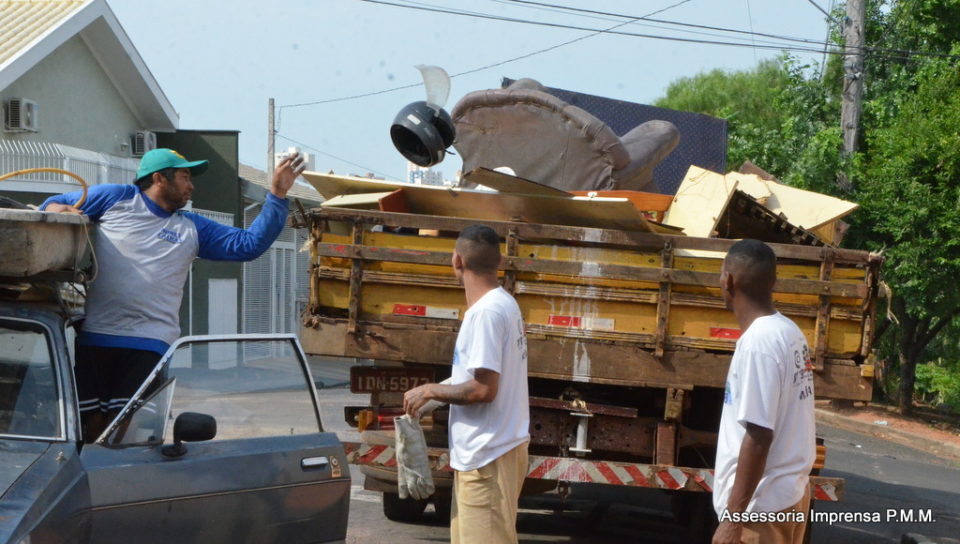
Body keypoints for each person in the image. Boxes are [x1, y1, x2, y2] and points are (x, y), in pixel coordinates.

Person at [42, 148, 305, 441]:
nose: (191, 185)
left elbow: (249, 245)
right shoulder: (117, 198)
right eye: (185, 176)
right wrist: (60, 211)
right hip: (95, 336)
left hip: (150, 342)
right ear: (159, 179)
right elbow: (54, 204)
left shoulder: (191, 227)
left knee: (127, 433)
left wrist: (278, 193)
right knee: (87, 427)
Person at [404, 224, 530, 544]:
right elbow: (472, 378)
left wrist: (431, 390)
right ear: (499, 262)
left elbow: (483, 390)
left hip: (486, 457)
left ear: (456, 261)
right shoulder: (503, 303)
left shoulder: (485, 313)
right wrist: (431, 397)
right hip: (490, 453)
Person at [712, 239, 816, 544]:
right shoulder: (788, 332)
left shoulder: (759, 344)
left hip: (760, 512)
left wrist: (732, 519)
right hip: (787, 499)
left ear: (728, 280)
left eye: (721, 273)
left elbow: (759, 434)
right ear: (773, 281)